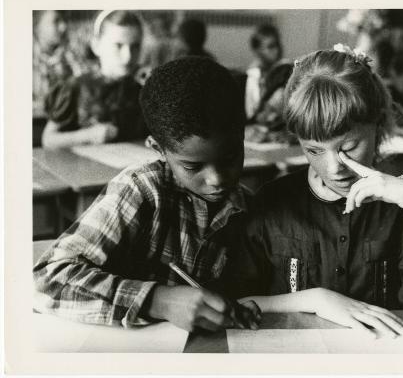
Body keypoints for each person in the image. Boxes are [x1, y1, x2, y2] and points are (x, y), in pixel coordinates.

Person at [222, 44, 403, 336]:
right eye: (314, 150)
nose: (333, 168)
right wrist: (315, 299)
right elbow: (234, 302)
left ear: (378, 125)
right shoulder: (272, 202)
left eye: (348, 147)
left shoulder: (400, 209)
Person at [33, 57, 260, 332]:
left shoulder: (247, 207)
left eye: (231, 156)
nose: (217, 179)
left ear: (242, 135)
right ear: (159, 149)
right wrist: (158, 300)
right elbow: (46, 280)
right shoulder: (142, 190)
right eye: (192, 166)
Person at [41, 10, 148, 149]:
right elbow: (48, 140)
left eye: (135, 46)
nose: (127, 57)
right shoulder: (77, 86)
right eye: (118, 46)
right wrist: (88, 136)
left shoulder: (144, 86)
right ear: (96, 45)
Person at [33, 10, 84, 118]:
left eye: (65, 20)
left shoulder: (69, 55)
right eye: (55, 22)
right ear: (36, 26)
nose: (63, 27)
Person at [245, 24, 283, 121]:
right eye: (270, 46)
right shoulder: (253, 76)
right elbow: (252, 113)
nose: (277, 50)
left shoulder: (280, 70)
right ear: (257, 50)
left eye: (278, 45)